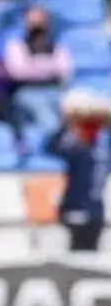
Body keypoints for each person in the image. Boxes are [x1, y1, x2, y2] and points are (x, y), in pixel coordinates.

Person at [46, 90, 111, 252]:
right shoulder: (75, 149)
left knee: (92, 256)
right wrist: (66, 122)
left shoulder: (103, 150)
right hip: (75, 208)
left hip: (96, 211)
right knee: (77, 254)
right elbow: (51, 146)